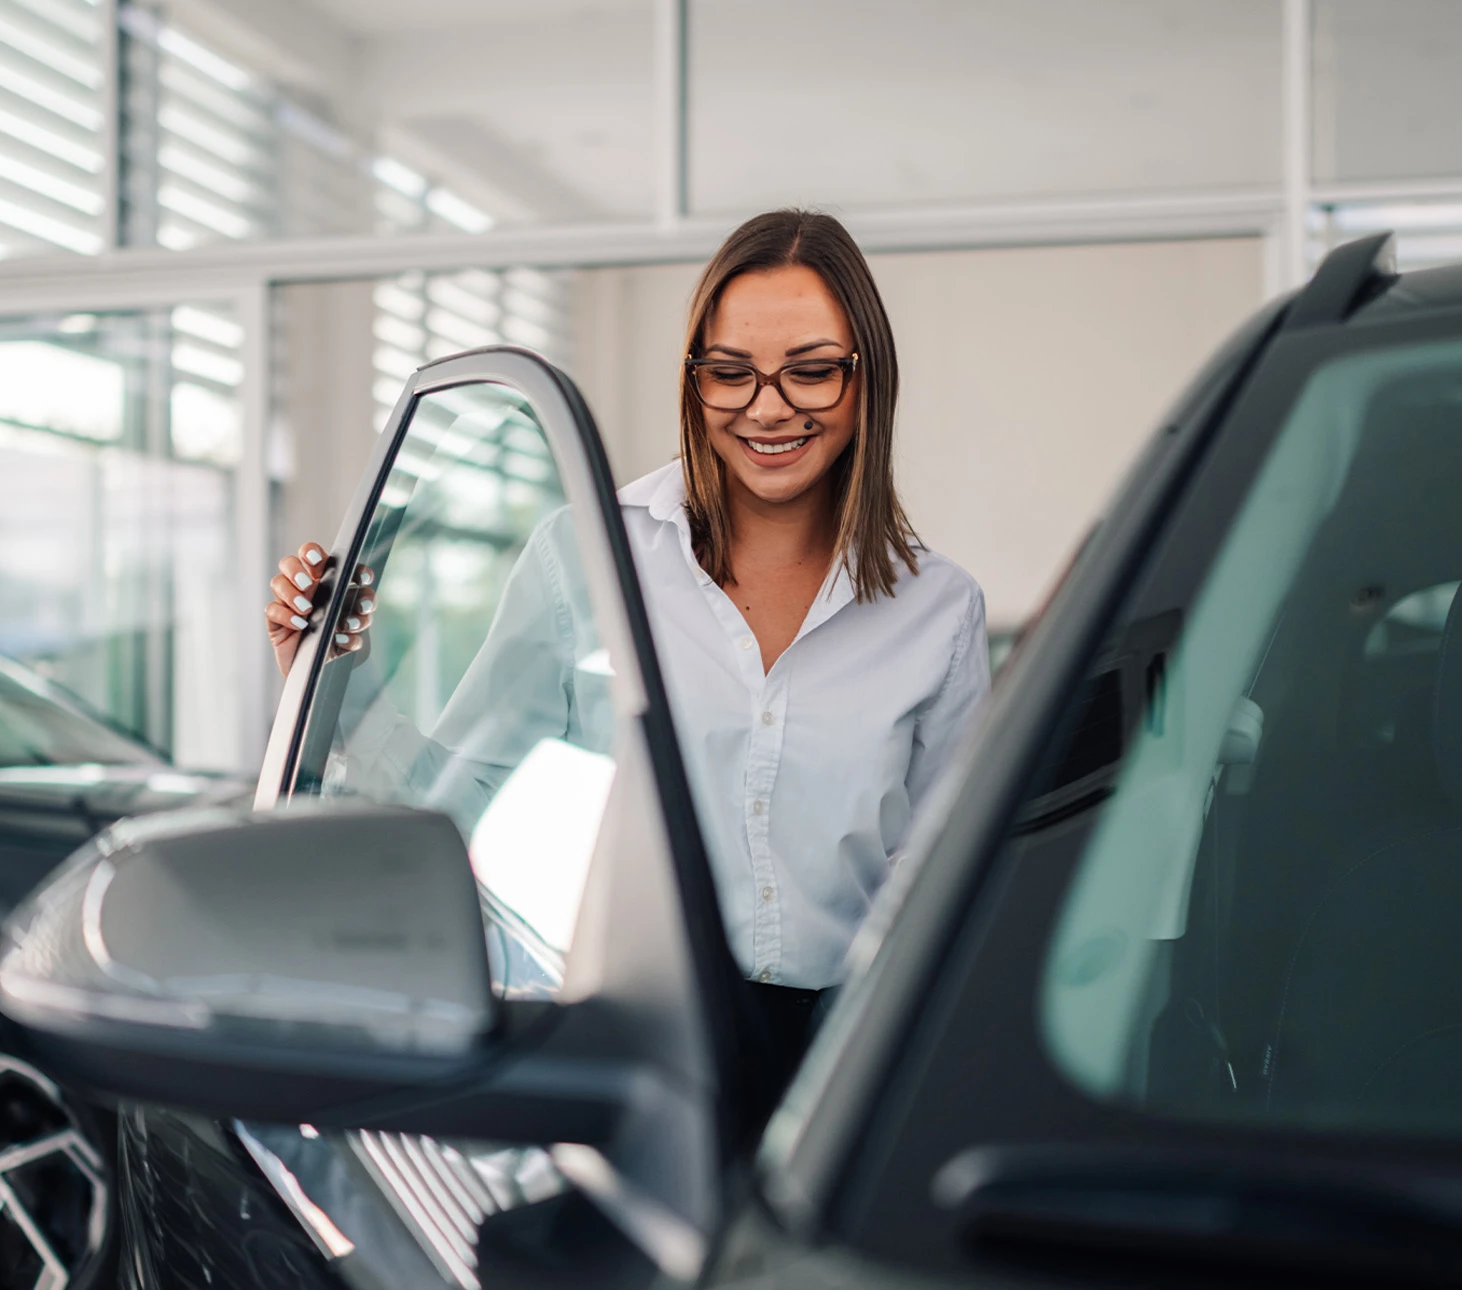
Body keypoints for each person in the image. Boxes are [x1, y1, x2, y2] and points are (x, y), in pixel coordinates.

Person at [263, 209, 990, 1082]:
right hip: (628, 1044)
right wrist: (339, 685)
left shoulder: (937, 609)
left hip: (851, 1065)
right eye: (732, 373)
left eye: (812, 372)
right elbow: (465, 810)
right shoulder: (588, 557)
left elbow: (954, 880)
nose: (769, 408)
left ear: (866, 379)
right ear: (695, 381)